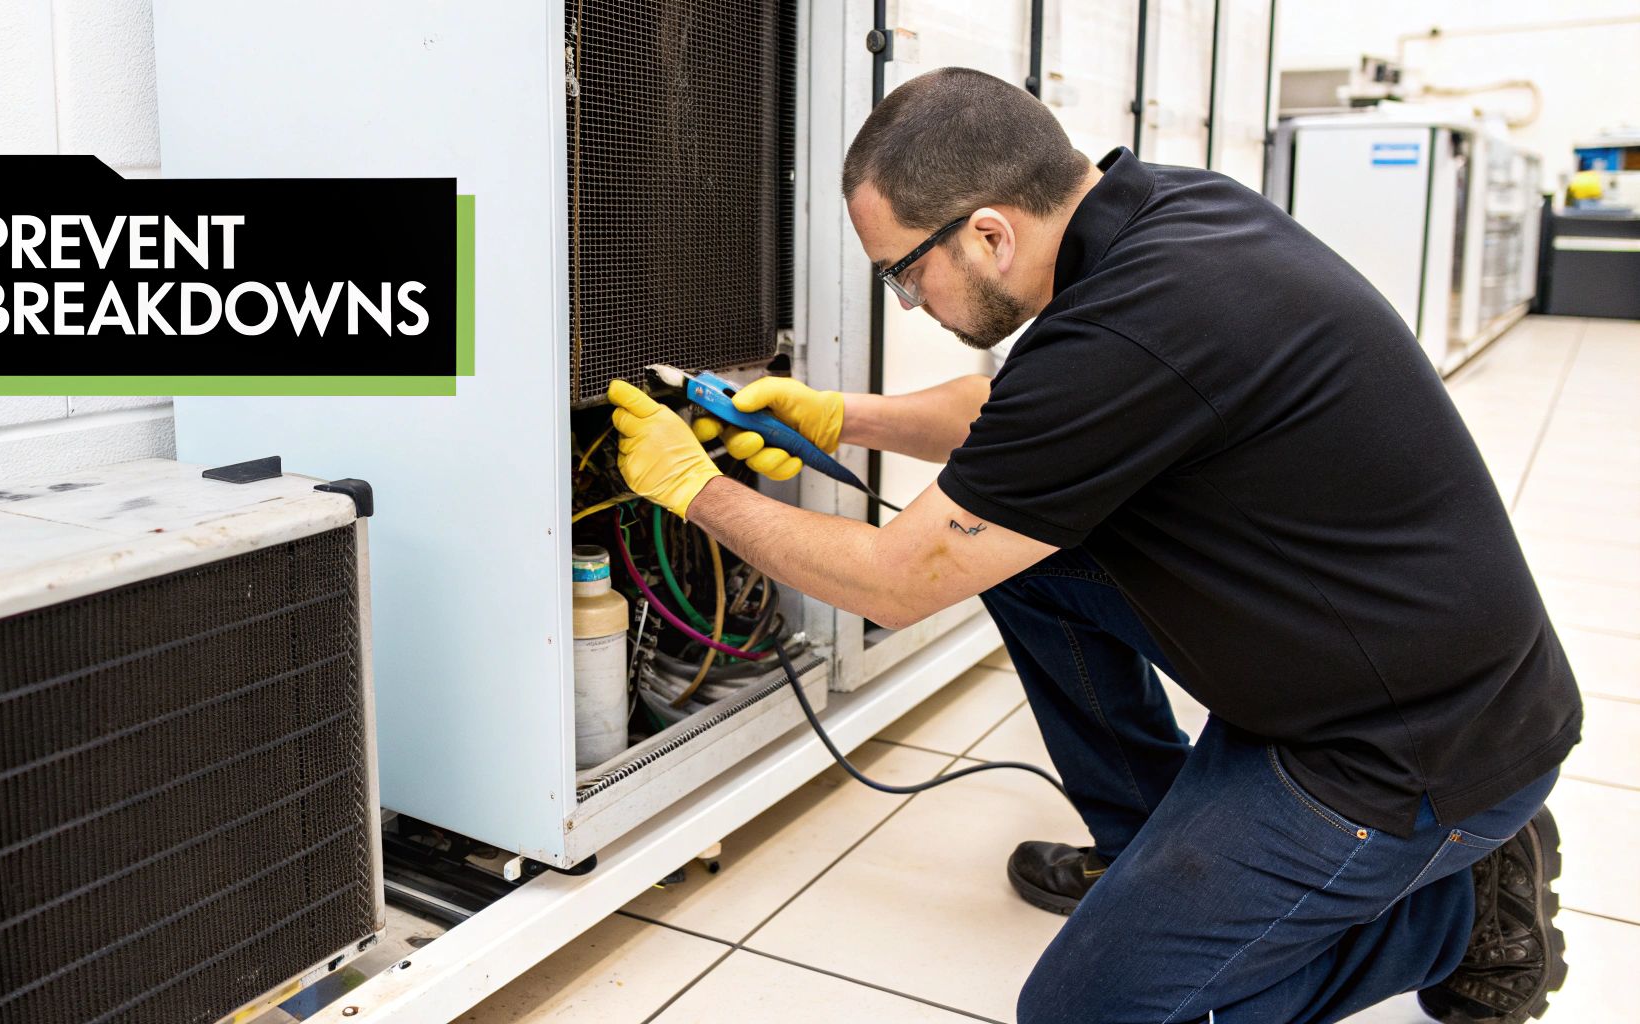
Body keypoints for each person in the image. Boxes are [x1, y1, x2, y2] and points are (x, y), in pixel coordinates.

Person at [606, 67, 1580, 1024]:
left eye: (904, 273)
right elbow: (1019, 416)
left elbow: (894, 583)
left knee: (1089, 1009)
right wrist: (834, 416)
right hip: (1384, 665)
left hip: (1409, 748)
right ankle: (1145, 839)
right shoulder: (1162, 216)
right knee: (1035, 569)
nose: (907, 302)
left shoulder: (1135, 324)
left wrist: (695, 492)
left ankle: (1460, 913)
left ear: (987, 232)